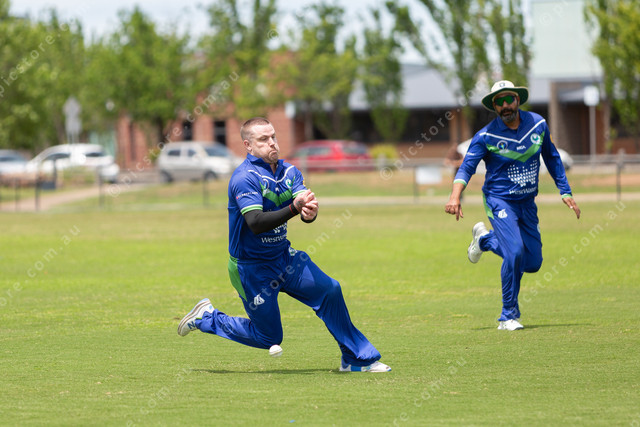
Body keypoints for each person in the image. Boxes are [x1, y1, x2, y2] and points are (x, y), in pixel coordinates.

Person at [178, 117, 390, 372]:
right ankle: (207, 318)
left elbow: (301, 201)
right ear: (248, 145)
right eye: (263, 139)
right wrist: (293, 209)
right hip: (251, 268)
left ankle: (355, 359)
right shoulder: (244, 177)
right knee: (269, 337)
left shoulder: (290, 171)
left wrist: (308, 212)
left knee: (330, 290)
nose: (272, 143)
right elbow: (256, 222)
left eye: (273, 137)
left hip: (285, 258)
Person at [444, 80, 581, 331]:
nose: (505, 105)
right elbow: (466, 167)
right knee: (515, 252)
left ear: (518, 100)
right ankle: (507, 316)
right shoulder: (485, 136)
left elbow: (552, 157)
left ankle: (485, 240)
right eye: (500, 101)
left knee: (533, 263)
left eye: (509, 99)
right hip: (499, 200)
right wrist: (455, 196)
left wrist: (565, 191)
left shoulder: (538, 124)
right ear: (494, 106)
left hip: (527, 203)